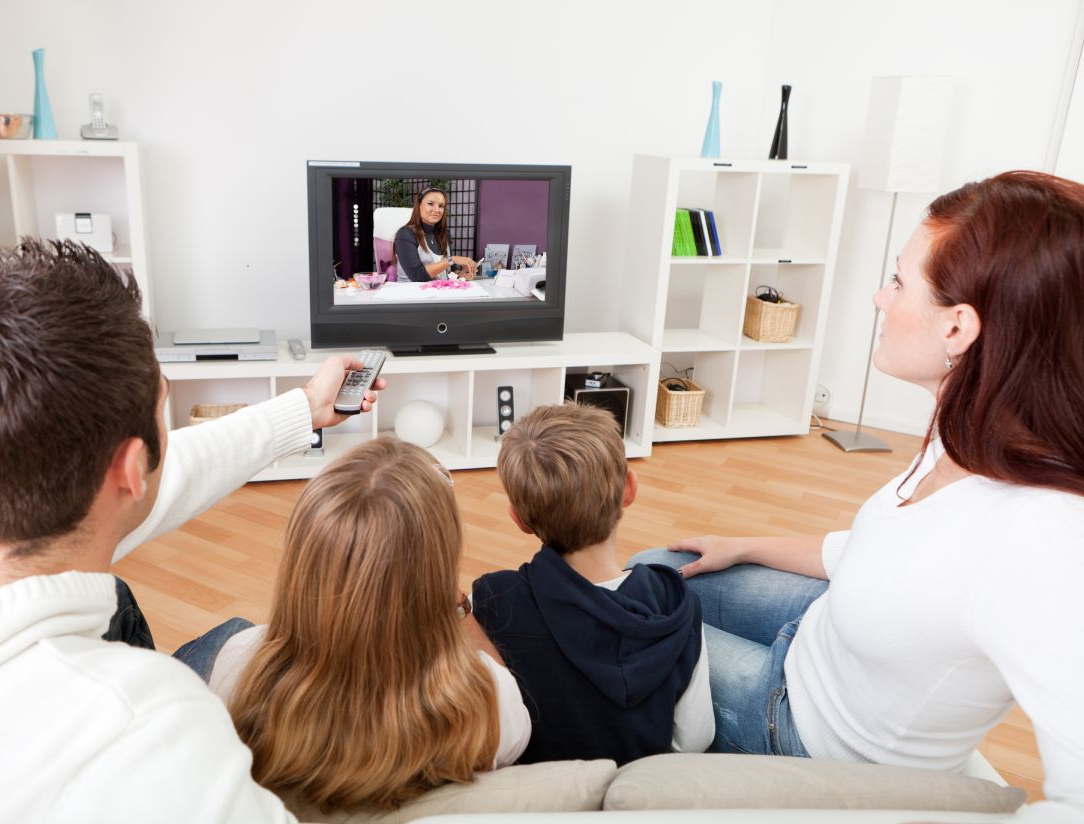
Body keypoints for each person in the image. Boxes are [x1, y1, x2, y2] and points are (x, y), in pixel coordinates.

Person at [629, 171, 1084, 818]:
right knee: (654, 571)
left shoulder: (1043, 535)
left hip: (804, 740)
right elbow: (882, 550)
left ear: (958, 329)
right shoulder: (973, 428)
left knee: (624, 627)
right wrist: (746, 545)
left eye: (899, 282)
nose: (879, 297)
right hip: (820, 634)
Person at [0, 240, 383, 823]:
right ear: (127, 469)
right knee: (244, 639)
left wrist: (302, 408)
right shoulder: (153, 734)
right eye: (163, 408)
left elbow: (164, 477)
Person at [176, 438, 530, 812]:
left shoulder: (239, 665)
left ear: (304, 561)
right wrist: (460, 610)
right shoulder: (489, 700)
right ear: (435, 567)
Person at [472, 402, 713, 766]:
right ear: (629, 489)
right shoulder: (674, 602)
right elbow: (695, 739)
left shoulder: (492, 598)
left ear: (519, 520)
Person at [393, 186, 477, 282]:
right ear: (419, 205)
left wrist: (460, 276)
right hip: (412, 294)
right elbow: (417, 275)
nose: (437, 210)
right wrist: (452, 259)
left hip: (440, 294)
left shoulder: (444, 234)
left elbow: (449, 272)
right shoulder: (405, 234)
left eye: (441, 206)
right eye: (430, 204)